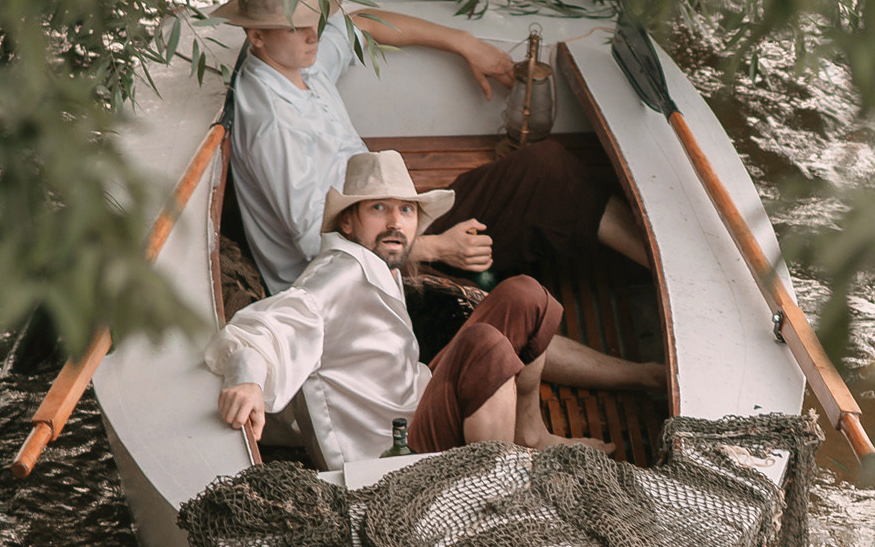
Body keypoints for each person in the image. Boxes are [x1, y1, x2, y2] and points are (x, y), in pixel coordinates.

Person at [209, 151, 663, 464]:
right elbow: (268, 326)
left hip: (417, 401)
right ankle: (496, 491)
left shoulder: (379, 262)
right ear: (348, 221)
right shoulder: (339, 273)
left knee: (524, 294)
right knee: (484, 344)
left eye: (406, 211)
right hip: (392, 454)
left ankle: (529, 434)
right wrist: (248, 381)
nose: (395, 222)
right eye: (379, 208)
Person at [211, 0, 651, 292]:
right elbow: (316, 243)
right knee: (492, 310)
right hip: (356, 279)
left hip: (390, 220)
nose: (313, 35)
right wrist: (436, 248)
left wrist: (464, 42)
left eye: (314, 19)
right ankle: (645, 377)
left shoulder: (294, 61)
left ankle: (663, 269)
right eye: (296, 26)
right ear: (256, 36)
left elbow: (360, 23)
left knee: (546, 168)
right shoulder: (273, 123)